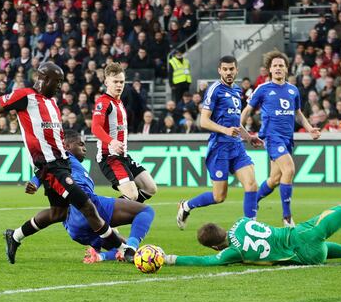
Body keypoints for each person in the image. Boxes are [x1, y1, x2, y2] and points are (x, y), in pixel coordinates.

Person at [0, 62, 124, 264]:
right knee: (88, 207)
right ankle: (124, 249)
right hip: (51, 168)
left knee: (59, 213)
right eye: (58, 82)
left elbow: (55, 137)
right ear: (45, 78)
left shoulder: (52, 104)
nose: (59, 86)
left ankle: (15, 236)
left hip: (61, 163)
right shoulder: (25, 96)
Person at [164, 181, 341, 266]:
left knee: (320, 245)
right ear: (222, 228)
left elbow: (204, 262)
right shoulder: (242, 221)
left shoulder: (232, 255)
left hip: (307, 256)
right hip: (302, 232)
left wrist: (169, 259)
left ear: (215, 246)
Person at [26, 131, 155, 263]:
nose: (85, 148)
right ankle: (132, 248)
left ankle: (100, 256)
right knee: (146, 211)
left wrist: (36, 184)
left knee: (121, 248)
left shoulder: (70, 164)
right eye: (80, 144)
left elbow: (46, 171)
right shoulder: (63, 157)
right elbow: (45, 169)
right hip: (87, 207)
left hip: (74, 228)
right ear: (67, 146)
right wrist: (35, 183)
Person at [177, 56, 263, 230]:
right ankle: (186, 206)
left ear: (236, 70)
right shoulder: (214, 89)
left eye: (232, 69)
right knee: (219, 197)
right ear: (219, 70)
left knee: (252, 185)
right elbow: (204, 121)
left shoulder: (237, 90)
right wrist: (225, 130)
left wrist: (248, 137)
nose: (229, 72)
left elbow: (235, 122)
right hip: (219, 148)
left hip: (237, 146)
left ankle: (250, 229)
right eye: (225, 69)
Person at [240, 50, 321, 227]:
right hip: (271, 136)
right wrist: (239, 128)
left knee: (275, 179)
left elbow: (298, 113)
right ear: (270, 69)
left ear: (286, 69)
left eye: (281, 66)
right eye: (275, 66)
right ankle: (287, 217)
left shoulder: (293, 90)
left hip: (287, 138)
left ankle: (254, 200)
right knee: (289, 169)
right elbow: (247, 110)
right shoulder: (263, 89)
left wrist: (309, 128)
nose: (278, 68)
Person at [92, 62, 157, 202]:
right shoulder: (103, 102)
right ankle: (104, 217)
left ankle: (121, 214)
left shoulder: (119, 102)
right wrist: (112, 141)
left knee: (150, 188)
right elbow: (95, 128)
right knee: (132, 195)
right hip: (109, 157)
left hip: (123, 157)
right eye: (115, 81)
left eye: (121, 82)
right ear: (106, 82)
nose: (119, 85)